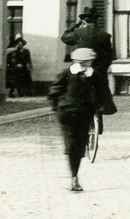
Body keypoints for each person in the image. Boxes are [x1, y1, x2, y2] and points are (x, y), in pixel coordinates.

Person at [48, 46, 103, 192]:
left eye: (88, 61)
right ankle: (74, 178)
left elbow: (102, 92)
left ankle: (75, 176)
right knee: (72, 145)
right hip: (67, 114)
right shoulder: (66, 74)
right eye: (84, 61)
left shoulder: (94, 75)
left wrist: (101, 106)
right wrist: (58, 108)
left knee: (80, 146)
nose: (87, 64)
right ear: (78, 61)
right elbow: (54, 92)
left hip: (85, 115)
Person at [60, 7, 117, 113]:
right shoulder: (104, 35)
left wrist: (75, 25)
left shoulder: (78, 32)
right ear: (96, 20)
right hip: (98, 68)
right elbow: (109, 55)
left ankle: (72, 105)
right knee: (103, 85)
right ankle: (106, 106)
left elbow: (64, 37)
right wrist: (104, 67)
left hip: (82, 67)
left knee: (72, 81)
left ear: (84, 21)